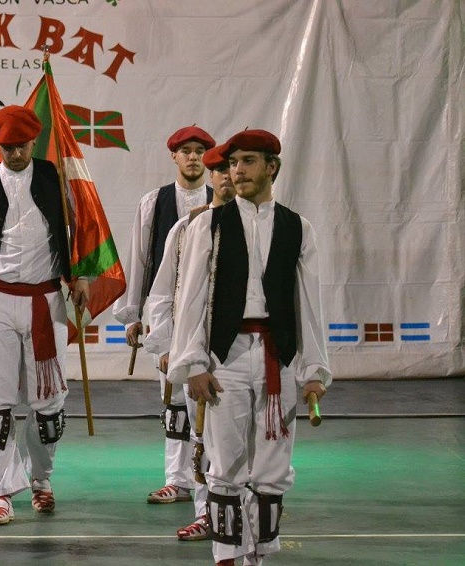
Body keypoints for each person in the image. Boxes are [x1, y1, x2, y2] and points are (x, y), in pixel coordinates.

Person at [167, 129, 330, 566]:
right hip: (227, 357)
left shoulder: (298, 228)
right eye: (233, 162)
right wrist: (193, 362)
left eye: (248, 162)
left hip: (280, 358)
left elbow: (308, 304)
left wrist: (314, 370)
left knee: (273, 472)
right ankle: (226, 557)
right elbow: (191, 299)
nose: (237, 170)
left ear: (272, 167)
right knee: (226, 468)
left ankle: (257, 557)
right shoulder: (208, 225)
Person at [0, 105, 89, 525]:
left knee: (50, 407)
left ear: (34, 141)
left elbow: (82, 229)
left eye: (20, 145)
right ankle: (1, 493)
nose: (13, 153)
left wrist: (80, 275)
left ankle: (41, 480)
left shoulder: (57, 177)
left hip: (47, 300)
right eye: (6, 147)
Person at [113, 125, 216, 504]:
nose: (192, 157)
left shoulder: (221, 199)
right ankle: (178, 478)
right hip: (166, 315)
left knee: (206, 398)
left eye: (198, 150)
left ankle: (210, 478)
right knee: (172, 401)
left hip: (209, 318)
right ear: (173, 156)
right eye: (185, 150)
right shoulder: (152, 203)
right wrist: (134, 314)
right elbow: (140, 259)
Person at [143, 144, 236, 540]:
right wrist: (165, 346)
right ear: (212, 178)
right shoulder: (186, 229)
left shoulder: (268, 225)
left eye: (231, 168)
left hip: (247, 350)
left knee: (239, 436)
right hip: (195, 347)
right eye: (221, 170)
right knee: (199, 434)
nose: (227, 177)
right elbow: (163, 292)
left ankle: (245, 509)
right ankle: (205, 512)